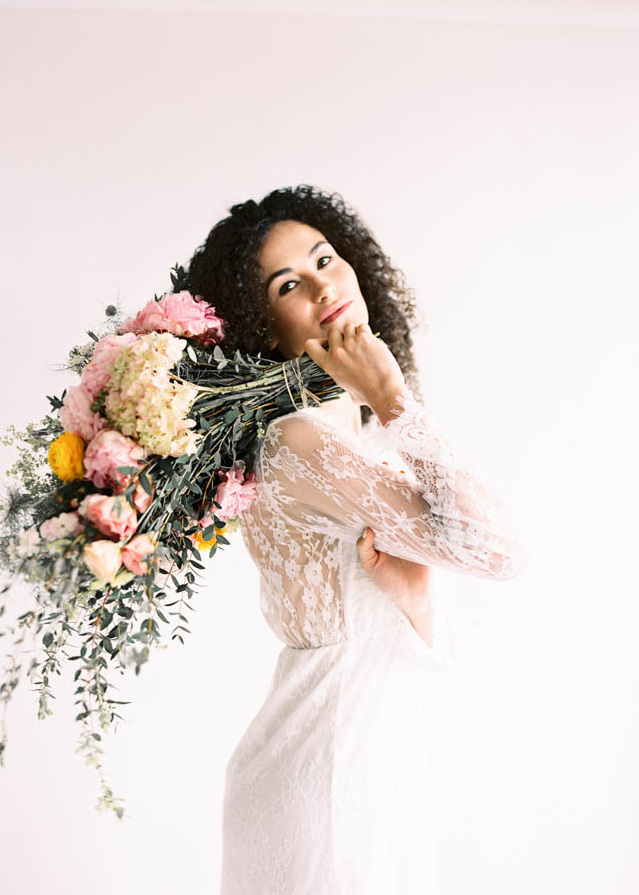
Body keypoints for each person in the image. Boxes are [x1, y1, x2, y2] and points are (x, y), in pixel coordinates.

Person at [182, 184, 530, 894]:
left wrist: (417, 599)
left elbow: (434, 632)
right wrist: (393, 395)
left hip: (373, 760)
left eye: (324, 259)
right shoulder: (300, 440)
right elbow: (501, 551)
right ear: (261, 327)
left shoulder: (350, 432)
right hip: (330, 774)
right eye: (288, 285)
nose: (322, 287)